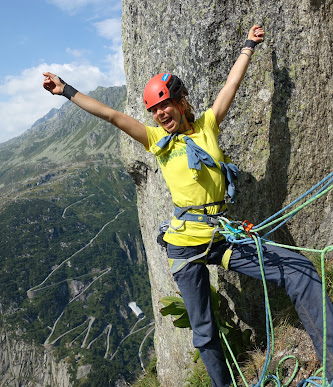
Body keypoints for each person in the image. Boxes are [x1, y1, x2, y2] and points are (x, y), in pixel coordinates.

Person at [43, 25, 333, 387]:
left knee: (298, 270)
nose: (160, 113)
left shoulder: (208, 126)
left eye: (165, 104)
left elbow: (230, 87)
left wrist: (247, 46)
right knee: (204, 330)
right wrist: (65, 90)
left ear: (181, 102)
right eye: (154, 108)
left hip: (222, 236)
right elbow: (112, 115)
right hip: (184, 244)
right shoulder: (156, 142)